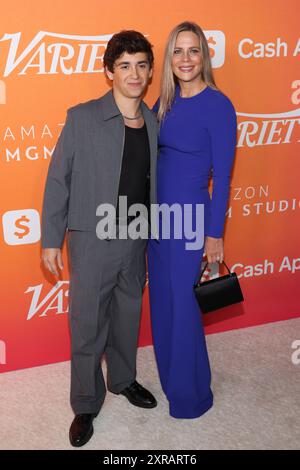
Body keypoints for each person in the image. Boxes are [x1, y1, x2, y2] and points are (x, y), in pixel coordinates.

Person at [41, 30, 158, 447]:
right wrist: (51, 239)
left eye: (142, 65)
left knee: (128, 317)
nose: (134, 73)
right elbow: (58, 180)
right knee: (88, 323)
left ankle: (123, 380)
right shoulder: (83, 116)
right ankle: (86, 404)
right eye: (125, 65)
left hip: (137, 237)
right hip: (93, 239)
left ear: (149, 72)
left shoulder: (154, 120)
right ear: (109, 71)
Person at [148, 21, 237, 419]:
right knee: (164, 304)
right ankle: (172, 382)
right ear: (169, 59)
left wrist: (214, 234)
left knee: (184, 307)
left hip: (191, 222)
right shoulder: (163, 102)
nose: (185, 59)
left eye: (193, 50)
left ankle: (192, 396)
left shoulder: (219, 105)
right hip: (158, 221)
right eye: (178, 51)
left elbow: (224, 177)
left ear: (204, 56)